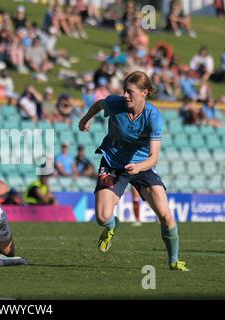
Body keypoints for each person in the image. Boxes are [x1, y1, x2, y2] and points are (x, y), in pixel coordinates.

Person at [78, 70, 189, 271]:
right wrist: (85, 119)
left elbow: (154, 157)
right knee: (102, 217)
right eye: (124, 91)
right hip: (112, 164)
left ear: (144, 92)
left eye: (130, 92)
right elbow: (99, 103)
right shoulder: (115, 104)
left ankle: (173, 260)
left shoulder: (153, 116)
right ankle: (112, 226)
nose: (125, 96)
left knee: (166, 215)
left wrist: (139, 166)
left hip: (142, 166)